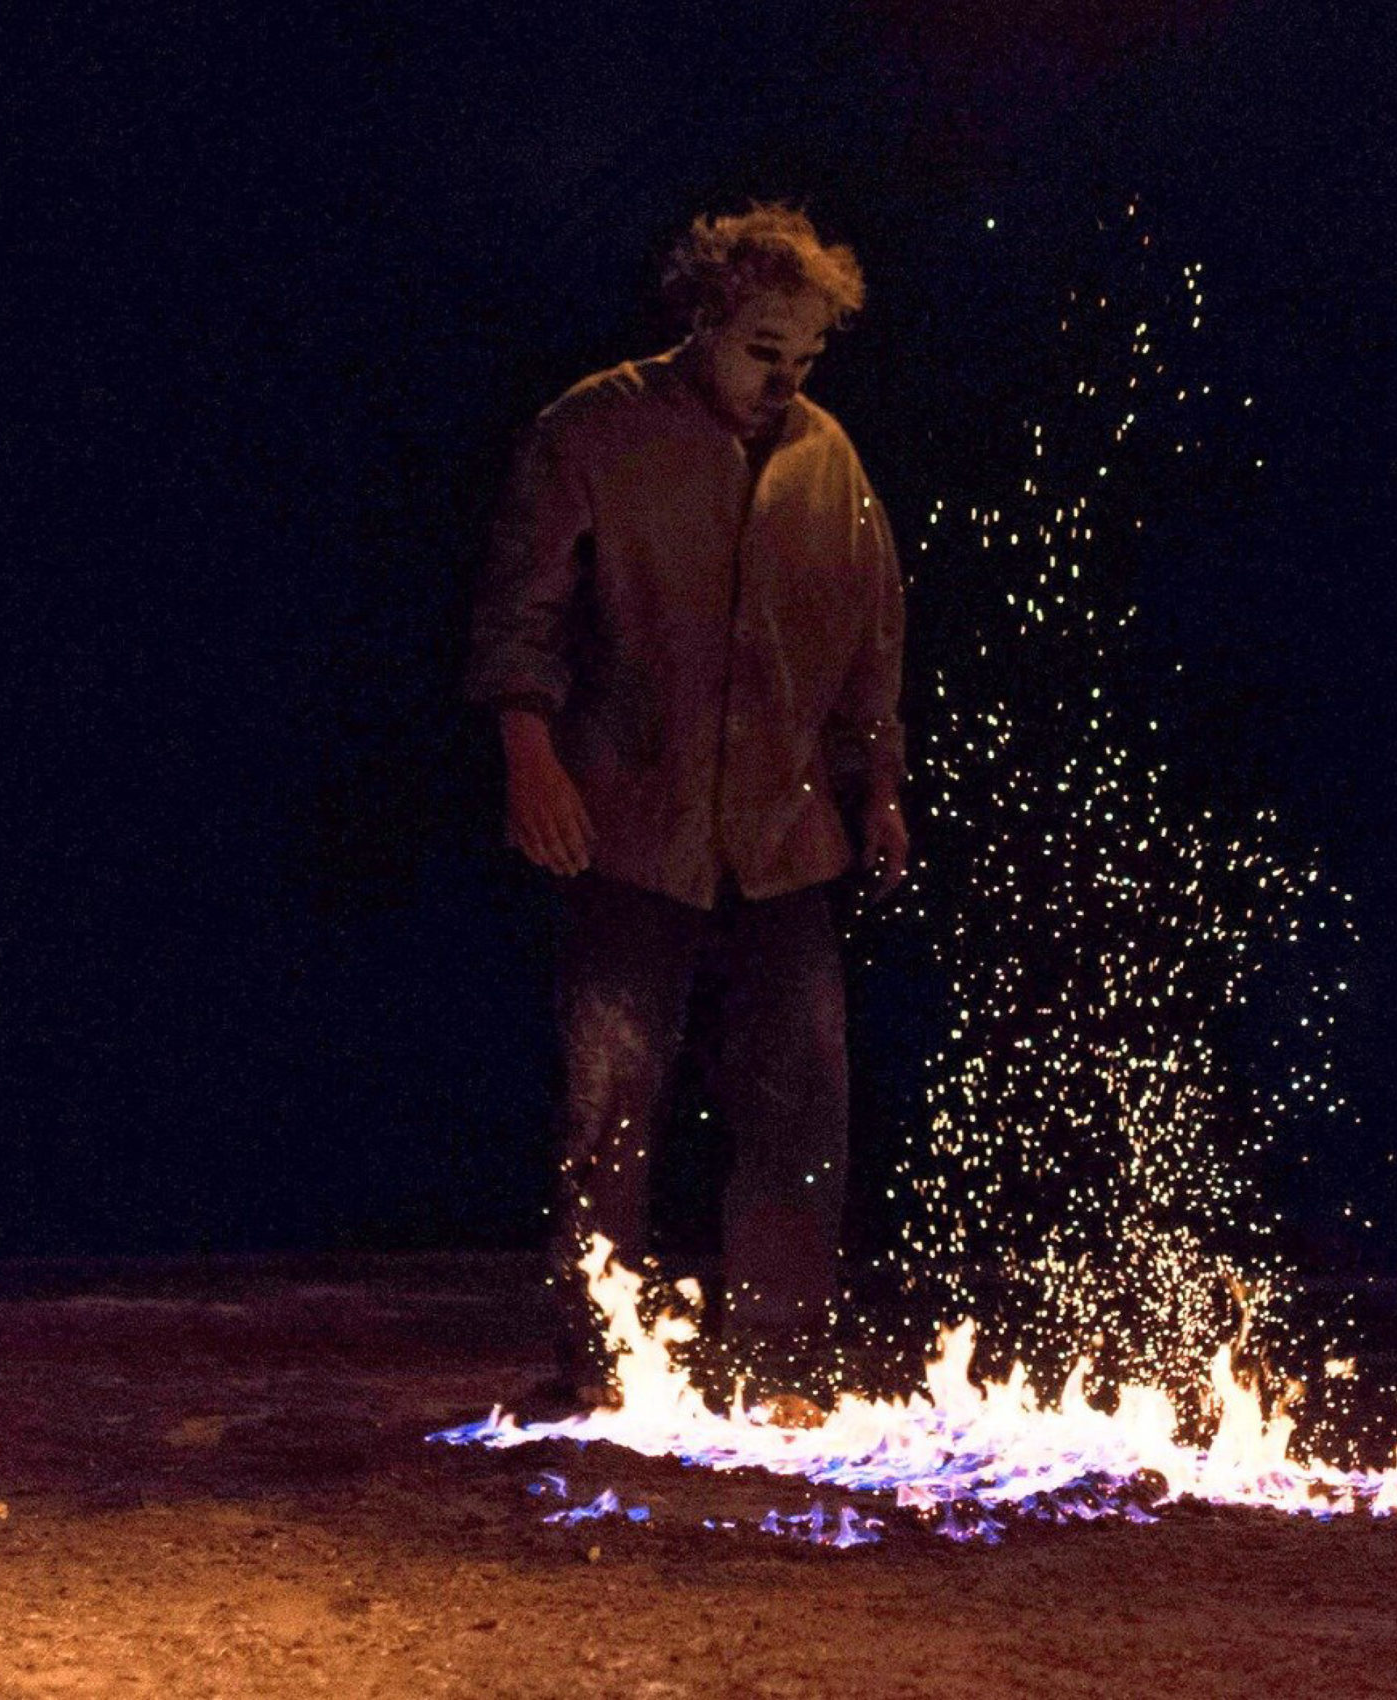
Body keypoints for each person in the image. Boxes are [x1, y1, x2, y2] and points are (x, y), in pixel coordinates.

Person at [465, 203, 908, 1406]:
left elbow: (872, 638)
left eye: (806, 356)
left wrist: (880, 790)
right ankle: (602, 1356)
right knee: (610, 1094)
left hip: (783, 829)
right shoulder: (593, 429)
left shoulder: (828, 456)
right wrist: (530, 758)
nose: (787, 380)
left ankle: (781, 1359)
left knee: (801, 1092)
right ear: (706, 320)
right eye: (765, 350)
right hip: (631, 820)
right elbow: (520, 615)